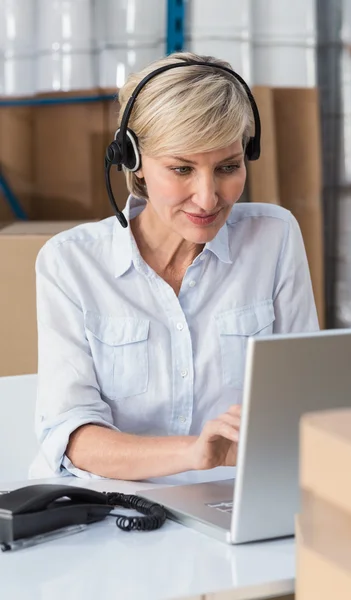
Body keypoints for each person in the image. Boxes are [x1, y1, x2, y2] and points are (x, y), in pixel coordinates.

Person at [30, 52, 319, 481]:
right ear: (135, 162)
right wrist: (195, 453)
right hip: (113, 509)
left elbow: (305, 398)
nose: (207, 197)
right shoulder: (70, 263)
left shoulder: (273, 237)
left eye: (228, 167)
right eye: (181, 169)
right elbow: (72, 435)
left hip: (233, 500)